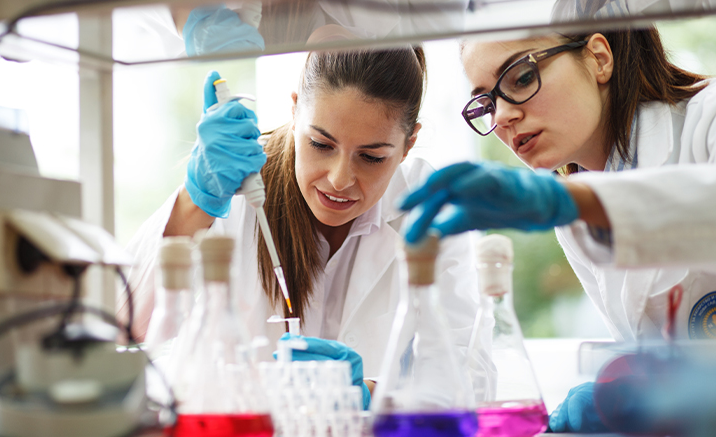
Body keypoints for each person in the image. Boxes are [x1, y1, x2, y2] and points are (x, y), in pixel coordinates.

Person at [118, 46, 483, 410]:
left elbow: (471, 379)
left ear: (408, 144)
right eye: (320, 144)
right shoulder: (237, 187)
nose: (340, 179)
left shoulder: (429, 212)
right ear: (294, 111)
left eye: (371, 157)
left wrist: (370, 394)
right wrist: (195, 201)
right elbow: (118, 321)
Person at [399, 24, 715, 432]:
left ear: (599, 57)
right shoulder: (575, 216)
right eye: (486, 102)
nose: (503, 116)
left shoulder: (706, 120)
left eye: (522, 77)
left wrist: (578, 203)